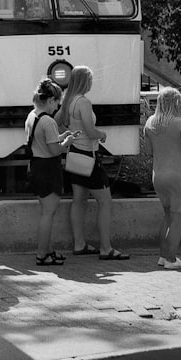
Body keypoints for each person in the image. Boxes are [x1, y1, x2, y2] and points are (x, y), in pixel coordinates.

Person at [55, 65, 129, 260]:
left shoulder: (68, 101)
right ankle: (106, 248)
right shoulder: (84, 102)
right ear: (85, 81)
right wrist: (102, 134)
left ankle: (79, 244)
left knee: (78, 199)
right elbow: (90, 130)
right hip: (88, 154)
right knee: (105, 202)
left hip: (74, 153)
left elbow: (56, 121)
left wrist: (69, 132)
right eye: (90, 79)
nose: (92, 83)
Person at [143, 87, 181, 270]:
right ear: (177, 103)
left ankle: (163, 256)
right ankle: (172, 259)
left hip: (158, 175)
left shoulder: (151, 123)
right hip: (179, 176)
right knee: (177, 217)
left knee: (167, 215)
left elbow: (148, 152)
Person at [26, 78, 78, 266]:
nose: (58, 106)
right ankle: (42, 254)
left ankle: (47, 250)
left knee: (46, 211)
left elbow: (42, 141)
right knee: (48, 213)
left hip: (37, 165)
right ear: (50, 100)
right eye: (57, 102)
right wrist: (66, 142)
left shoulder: (32, 115)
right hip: (49, 168)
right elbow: (55, 150)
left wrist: (59, 138)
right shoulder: (48, 121)